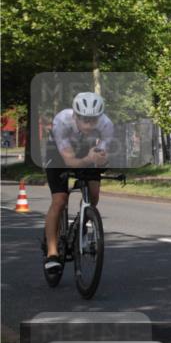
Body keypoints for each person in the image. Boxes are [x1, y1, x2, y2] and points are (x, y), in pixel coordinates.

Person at [42, 92, 114, 274]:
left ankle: (82, 222)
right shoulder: (62, 121)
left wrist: (101, 159)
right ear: (75, 116)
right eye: (85, 120)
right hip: (58, 155)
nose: (90, 125)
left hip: (85, 151)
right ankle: (52, 253)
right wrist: (89, 158)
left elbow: (101, 155)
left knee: (94, 194)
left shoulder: (106, 125)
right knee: (59, 201)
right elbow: (69, 161)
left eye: (93, 120)